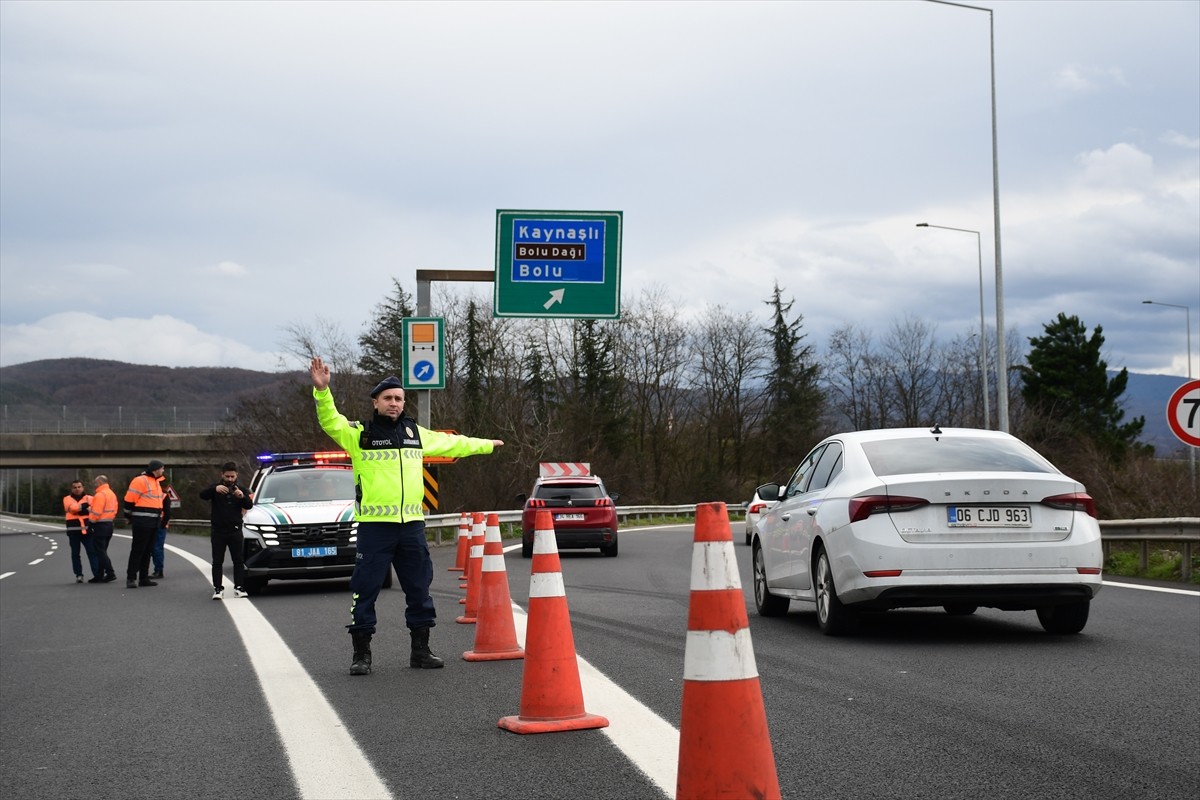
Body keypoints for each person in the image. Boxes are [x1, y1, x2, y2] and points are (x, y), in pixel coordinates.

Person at [310, 356, 504, 674]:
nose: (395, 403)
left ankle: (421, 650)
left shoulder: (415, 432)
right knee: (365, 591)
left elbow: (452, 443)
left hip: (411, 526)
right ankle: (361, 655)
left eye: (399, 398)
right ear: (375, 402)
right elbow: (331, 421)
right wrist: (322, 391)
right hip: (375, 528)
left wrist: (485, 445)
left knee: (419, 588)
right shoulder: (360, 434)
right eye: (388, 398)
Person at [198, 462, 254, 600]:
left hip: (235, 530)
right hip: (218, 531)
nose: (230, 479)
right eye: (227, 476)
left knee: (238, 560)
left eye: (232, 476)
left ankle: (239, 587)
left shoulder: (241, 489)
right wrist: (214, 490)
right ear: (222, 475)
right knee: (217, 561)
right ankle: (218, 588)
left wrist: (242, 497)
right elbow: (202, 495)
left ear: (236, 475)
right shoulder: (215, 488)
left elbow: (249, 505)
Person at [123, 460, 166, 588]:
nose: (163, 471)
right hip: (142, 521)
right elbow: (129, 500)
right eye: (162, 469)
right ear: (156, 469)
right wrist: (128, 516)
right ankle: (131, 578)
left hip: (154, 522)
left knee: (148, 550)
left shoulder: (156, 482)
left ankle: (143, 578)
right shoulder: (140, 480)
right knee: (138, 550)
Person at [62, 480, 99, 583]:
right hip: (73, 531)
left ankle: (97, 574)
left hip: (88, 530)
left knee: (92, 552)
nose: (77, 489)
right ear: (71, 489)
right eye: (75, 487)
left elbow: (92, 509)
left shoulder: (90, 498)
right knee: (75, 554)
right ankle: (78, 574)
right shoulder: (67, 499)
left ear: (83, 487)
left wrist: (79, 509)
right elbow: (71, 508)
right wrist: (84, 507)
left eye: (79, 487)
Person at [88, 475, 119, 582]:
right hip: (109, 525)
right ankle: (99, 575)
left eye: (96, 483)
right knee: (102, 551)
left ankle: (110, 572)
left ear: (100, 483)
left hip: (99, 525)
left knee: (100, 551)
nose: (95, 485)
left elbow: (96, 512)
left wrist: (91, 522)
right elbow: (115, 510)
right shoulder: (112, 494)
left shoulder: (100, 495)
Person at [150, 474, 175, 579]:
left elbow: (168, 512)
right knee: (153, 548)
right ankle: (157, 569)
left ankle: (159, 570)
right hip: (152, 524)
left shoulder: (164, 495)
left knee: (157, 548)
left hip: (160, 525)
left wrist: (163, 524)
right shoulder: (152, 494)